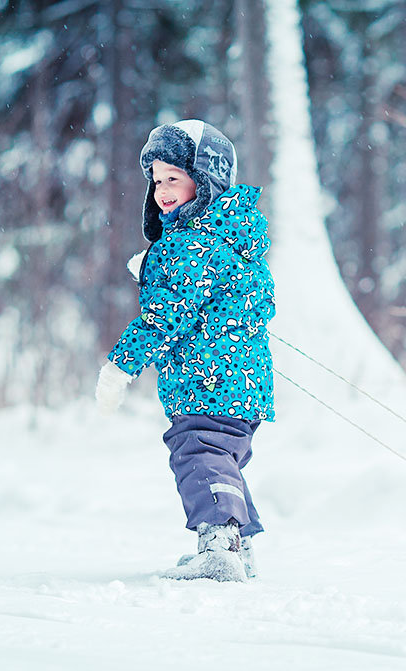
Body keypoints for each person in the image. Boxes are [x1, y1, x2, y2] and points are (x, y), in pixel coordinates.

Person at [94, 119, 275, 582]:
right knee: (221, 457)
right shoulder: (228, 237)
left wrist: (120, 365)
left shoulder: (192, 244)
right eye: (156, 179)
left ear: (207, 178)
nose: (162, 189)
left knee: (199, 451)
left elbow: (167, 318)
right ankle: (238, 547)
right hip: (241, 383)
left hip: (208, 382)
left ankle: (220, 545)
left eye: (174, 177)